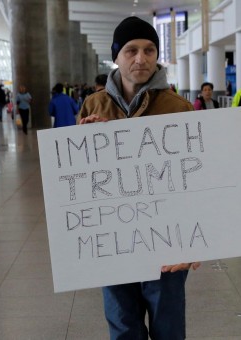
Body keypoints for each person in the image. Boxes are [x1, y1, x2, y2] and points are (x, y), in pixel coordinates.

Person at [78, 16, 199, 339]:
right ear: (116, 56)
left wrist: (197, 241)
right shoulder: (93, 104)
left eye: (149, 50)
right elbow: (81, 180)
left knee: (169, 327)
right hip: (115, 238)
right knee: (122, 326)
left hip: (167, 242)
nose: (141, 59)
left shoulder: (179, 108)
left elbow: (196, 180)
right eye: (131, 51)